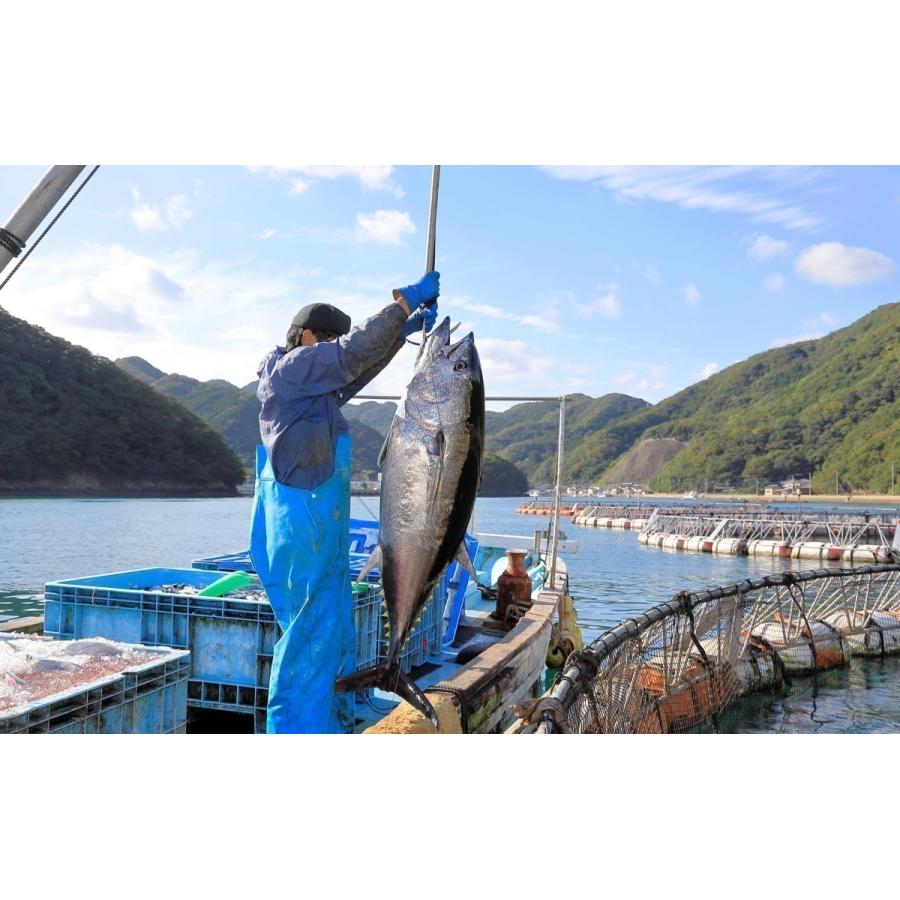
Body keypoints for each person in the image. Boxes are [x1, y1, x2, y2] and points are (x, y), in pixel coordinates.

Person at [249, 272, 440, 733]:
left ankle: (340, 713)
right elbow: (351, 354)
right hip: (302, 526)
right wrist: (401, 306)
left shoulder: (314, 389)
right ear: (304, 337)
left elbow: (356, 365)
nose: (333, 346)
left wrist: (401, 335)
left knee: (334, 627)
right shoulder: (291, 371)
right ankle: (298, 730)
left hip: (320, 529)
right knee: (307, 635)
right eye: (328, 338)